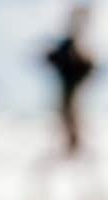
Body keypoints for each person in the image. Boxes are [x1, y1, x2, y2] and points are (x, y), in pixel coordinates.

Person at [45, 5, 95, 156]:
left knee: (71, 126)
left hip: (73, 98)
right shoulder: (67, 48)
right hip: (67, 99)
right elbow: (52, 59)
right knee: (66, 127)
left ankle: (72, 148)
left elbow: (88, 67)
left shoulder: (78, 51)